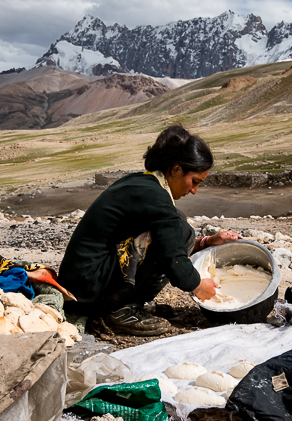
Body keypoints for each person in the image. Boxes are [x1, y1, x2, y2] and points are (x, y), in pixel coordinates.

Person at [58, 125, 240, 336]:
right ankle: (119, 311)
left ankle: (125, 303)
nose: (194, 191)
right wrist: (198, 285)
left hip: (83, 282)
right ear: (176, 169)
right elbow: (172, 253)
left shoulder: (144, 184)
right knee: (180, 229)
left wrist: (205, 242)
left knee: (180, 225)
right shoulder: (154, 197)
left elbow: (165, 237)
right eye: (195, 181)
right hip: (87, 291)